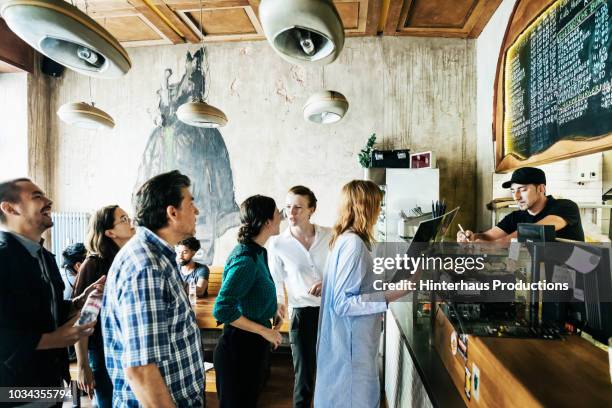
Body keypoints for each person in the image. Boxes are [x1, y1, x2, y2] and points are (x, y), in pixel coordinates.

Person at [101, 170, 205, 407]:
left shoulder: (156, 256)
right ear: (172, 212)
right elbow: (141, 369)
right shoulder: (147, 267)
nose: (196, 211)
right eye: (191, 203)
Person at [0, 178, 103, 392]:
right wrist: (52, 340)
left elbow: (44, 312)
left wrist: (78, 302)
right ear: (10, 208)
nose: (49, 201)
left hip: (52, 380)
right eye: (37, 197)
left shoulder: (44, 256)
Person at [314, 180, 407, 408]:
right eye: (378, 205)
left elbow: (357, 285)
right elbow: (343, 304)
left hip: (352, 344)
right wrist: (393, 294)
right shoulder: (353, 244)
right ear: (364, 206)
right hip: (351, 347)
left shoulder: (346, 239)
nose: (379, 211)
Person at [213, 195, 283, 408]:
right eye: (277, 212)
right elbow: (222, 309)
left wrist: (273, 309)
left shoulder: (257, 252)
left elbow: (253, 292)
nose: (281, 216)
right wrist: (265, 331)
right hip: (238, 350)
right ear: (267, 222)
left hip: (252, 347)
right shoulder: (246, 260)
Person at [268, 186, 332, 408]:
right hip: (301, 315)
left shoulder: (330, 235)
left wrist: (329, 284)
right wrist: (279, 308)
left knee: (331, 373)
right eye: (287, 207)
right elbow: (276, 282)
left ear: (311, 209)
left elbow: (341, 271)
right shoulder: (277, 243)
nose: (291, 213)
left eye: (298, 207)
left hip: (332, 312)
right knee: (304, 378)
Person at [73, 205, 135, 408]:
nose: (130, 221)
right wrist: (83, 366)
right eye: (124, 219)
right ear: (109, 232)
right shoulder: (94, 265)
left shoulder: (128, 258)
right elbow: (83, 318)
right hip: (102, 351)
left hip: (127, 348)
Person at [457, 167, 584, 242]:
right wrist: (472, 237)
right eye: (513, 191)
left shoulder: (566, 207)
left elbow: (536, 230)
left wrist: (500, 243)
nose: (516, 197)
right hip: (541, 277)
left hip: (577, 277)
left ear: (541, 189)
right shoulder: (516, 217)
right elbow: (488, 236)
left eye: (522, 190)